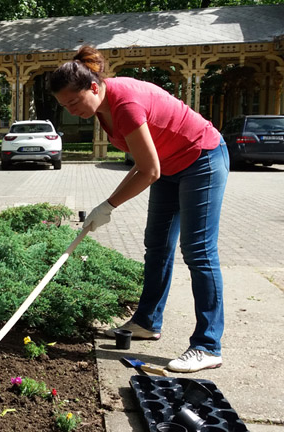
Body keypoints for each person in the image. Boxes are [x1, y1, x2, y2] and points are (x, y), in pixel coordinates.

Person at [49, 46, 229, 373]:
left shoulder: (126, 105)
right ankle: (147, 321)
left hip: (201, 158)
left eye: (74, 102)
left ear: (94, 87)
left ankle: (208, 345)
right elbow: (146, 163)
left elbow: (149, 171)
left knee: (198, 251)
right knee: (157, 246)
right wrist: (107, 203)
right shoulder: (101, 108)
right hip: (168, 166)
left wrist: (109, 205)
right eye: (64, 106)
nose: (72, 111)